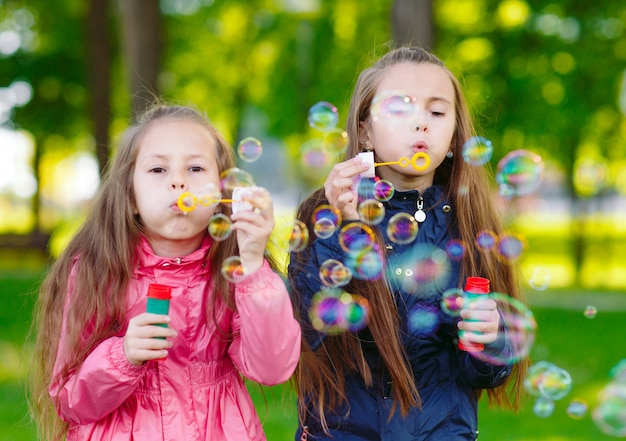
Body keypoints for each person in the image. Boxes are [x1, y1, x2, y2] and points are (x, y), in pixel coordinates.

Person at [288, 46, 529, 440]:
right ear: (365, 129)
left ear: (454, 137)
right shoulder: (323, 213)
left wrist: (491, 335)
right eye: (401, 110)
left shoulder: (472, 224)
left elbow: (480, 373)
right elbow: (306, 330)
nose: (421, 124)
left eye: (436, 112)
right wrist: (339, 228)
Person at [28, 104, 301, 441]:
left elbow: (271, 369)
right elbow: (70, 401)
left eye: (196, 168)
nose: (178, 181)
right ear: (130, 196)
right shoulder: (97, 272)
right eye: (158, 169)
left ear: (221, 194)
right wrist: (121, 355)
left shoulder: (235, 271)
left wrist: (254, 266)